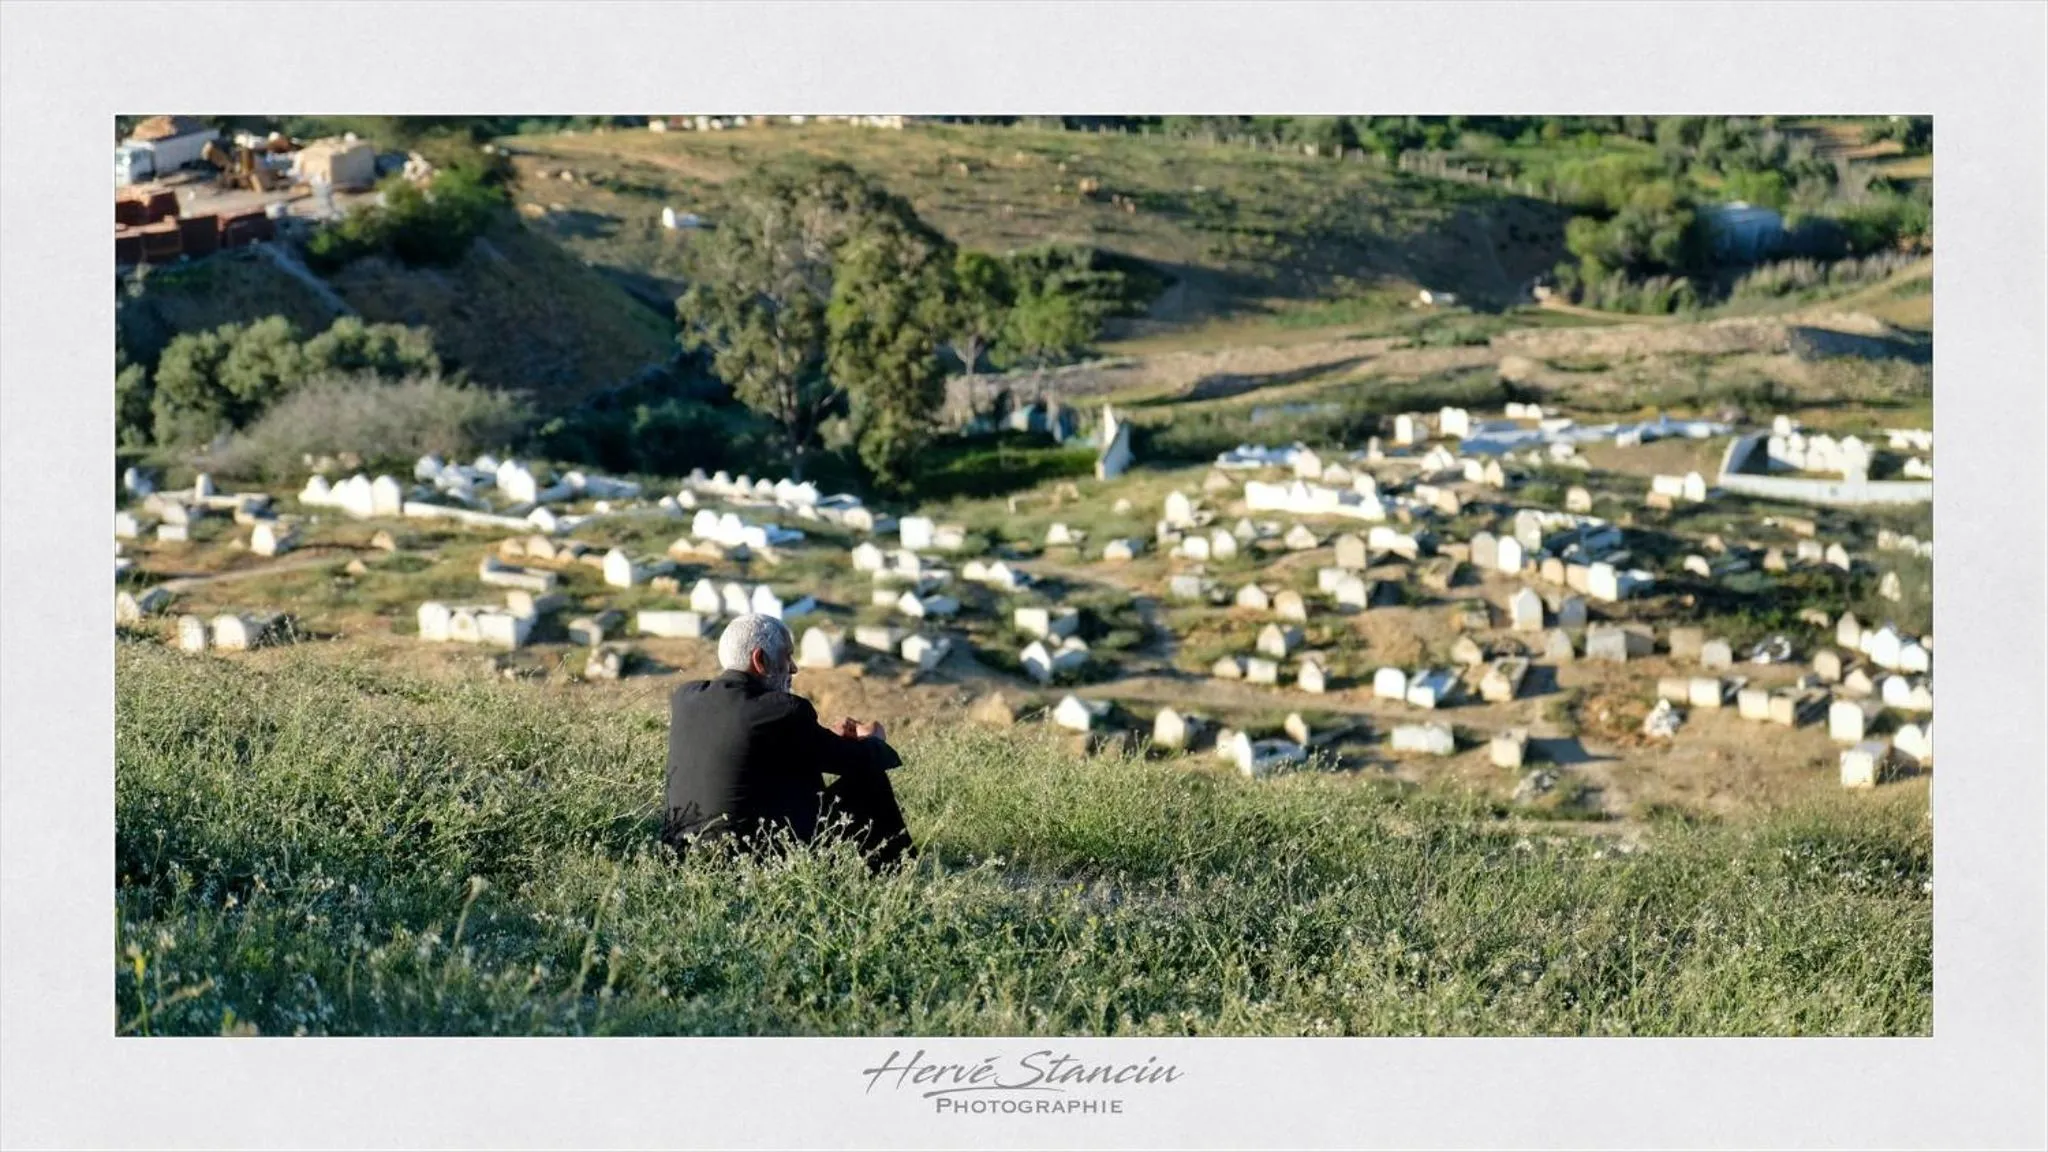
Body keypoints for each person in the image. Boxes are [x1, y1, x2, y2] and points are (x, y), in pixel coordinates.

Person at [662, 614, 914, 870]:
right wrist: (873, 737)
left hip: (683, 858)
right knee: (869, 781)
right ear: (760, 660)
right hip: (750, 864)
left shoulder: (686, 698)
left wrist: (824, 736)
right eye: (787, 656)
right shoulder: (782, 710)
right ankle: (900, 874)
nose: (793, 668)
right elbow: (855, 761)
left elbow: (749, 740)